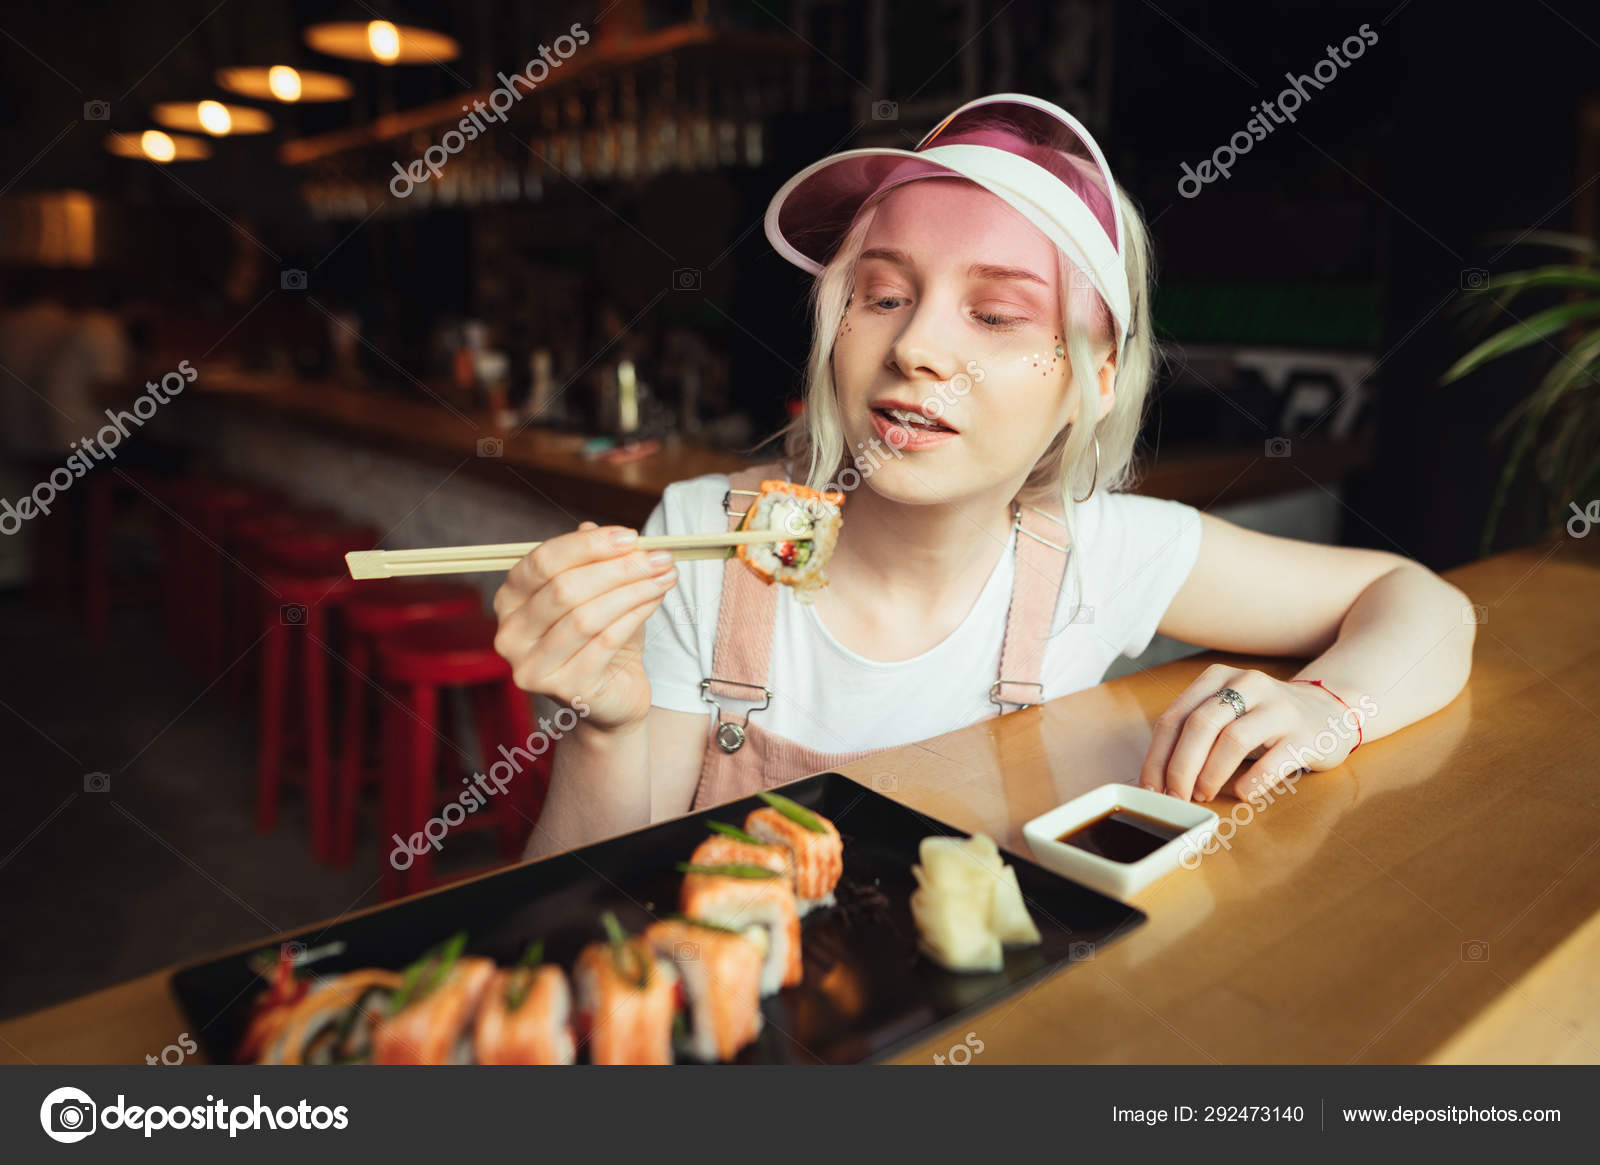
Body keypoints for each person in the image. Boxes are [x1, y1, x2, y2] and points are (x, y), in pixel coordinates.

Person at [491, 94, 1475, 859]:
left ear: (1089, 377)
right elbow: (598, 903)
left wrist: (1325, 710)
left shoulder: (1102, 549)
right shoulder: (702, 536)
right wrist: (604, 727)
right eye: (881, 294)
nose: (915, 345)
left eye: (996, 315)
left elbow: (1420, 601)